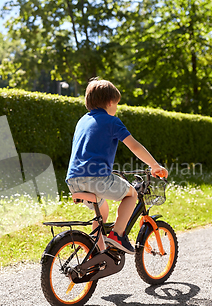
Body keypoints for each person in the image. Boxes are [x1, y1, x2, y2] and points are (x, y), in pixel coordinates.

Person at [66, 78, 168, 254]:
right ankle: (118, 234)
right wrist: (154, 165)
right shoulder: (112, 121)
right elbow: (134, 145)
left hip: (73, 180)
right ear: (111, 102)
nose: (116, 108)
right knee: (132, 194)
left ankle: (97, 253)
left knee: (101, 212)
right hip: (97, 178)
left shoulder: (82, 121)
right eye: (117, 104)